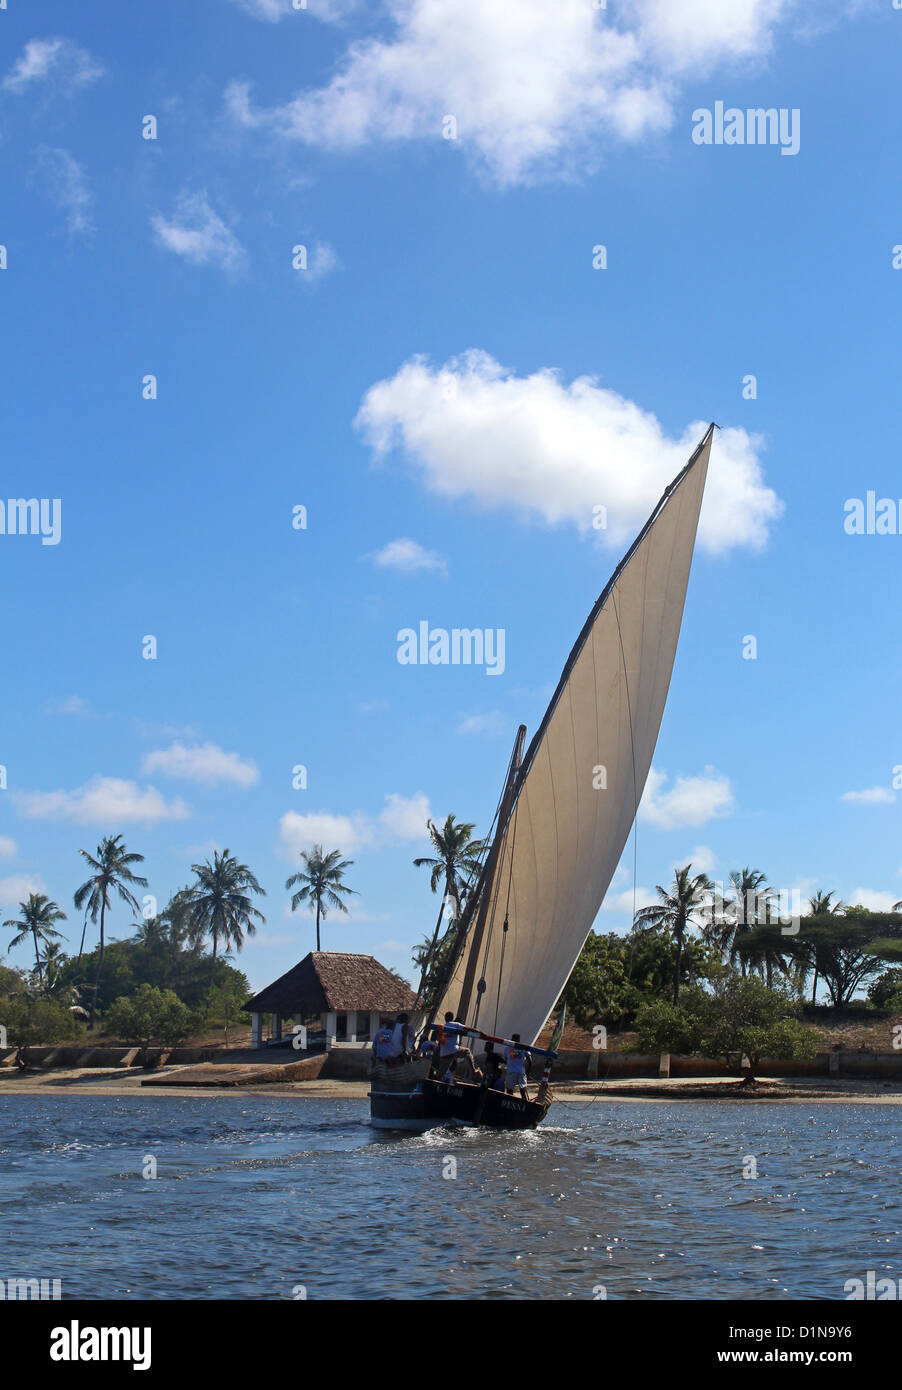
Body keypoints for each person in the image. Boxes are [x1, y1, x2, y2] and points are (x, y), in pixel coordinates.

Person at [504, 1033, 531, 1100]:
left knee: (509, 1090)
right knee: (523, 1090)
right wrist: (527, 1072)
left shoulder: (508, 1048)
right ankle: (525, 1103)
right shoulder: (523, 1048)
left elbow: (506, 1059)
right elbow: (530, 1061)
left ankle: (509, 1103)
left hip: (512, 1072)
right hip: (521, 1072)